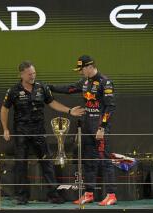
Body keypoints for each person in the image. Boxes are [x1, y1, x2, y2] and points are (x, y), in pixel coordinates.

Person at [0, 61, 84, 205]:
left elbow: (52, 103)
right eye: (29, 74)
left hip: (39, 132)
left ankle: (54, 195)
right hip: (21, 133)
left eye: (34, 73)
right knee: (20, 164)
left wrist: (70, 110)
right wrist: (5, 129)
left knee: (47, 163)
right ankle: (22, 196)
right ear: (21, 74)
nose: (33, 76)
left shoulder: (42, 87)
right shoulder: (13, 90)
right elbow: (4, 109)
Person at [49, 55, 117, 206]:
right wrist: (49, 87)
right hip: (87, 127)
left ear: (89, 67)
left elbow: (110, 107)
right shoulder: (85, 82)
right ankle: (89, 194)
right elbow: (68, 88)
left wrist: (102, 128)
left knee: (105, 161)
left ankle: (112, 195)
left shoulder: (105, 82)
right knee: (88, 161)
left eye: (81, 69)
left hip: (99, 128)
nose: (80, 72)